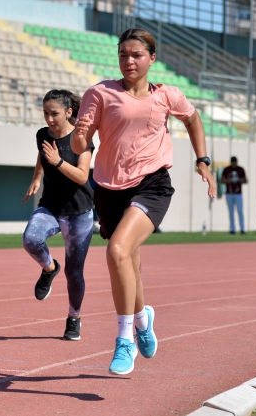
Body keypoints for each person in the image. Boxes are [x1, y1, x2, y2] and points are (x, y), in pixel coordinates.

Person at [71, 28, 216, 375]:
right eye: (123, 54)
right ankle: (142, 318)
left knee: (117, 251)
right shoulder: (100, 93)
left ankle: (125, 341)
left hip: (152, 183)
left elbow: (193, 118)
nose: (129, 61)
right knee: (130, 263)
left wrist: (203, 159)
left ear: (152, 58)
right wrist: (79, 137)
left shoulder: (167, 95)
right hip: (109, 186)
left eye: (136, 55)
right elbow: (81, 147)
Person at [21, 89, 95, 341]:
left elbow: (83, 176)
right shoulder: (42, 134)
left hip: (79, 212)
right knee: (30, 239)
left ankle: (74, 318)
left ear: (69, 113)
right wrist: (36, 177)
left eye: (54, 114)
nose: (49, 119)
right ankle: (49, 268)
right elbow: (43, 155)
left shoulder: (82, 139)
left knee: (74, 274)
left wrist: (58, 162)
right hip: (51, 207)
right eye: (45, 113)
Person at [220, 156, 247, 235]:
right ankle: (232, 229)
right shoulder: (227, 169)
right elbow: (221, 180)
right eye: (232, 162)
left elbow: (245, 180)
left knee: (240, 211)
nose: (234, 164)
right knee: (231, 212)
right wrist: (229, 181)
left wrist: (238, 180)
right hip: (229, 193)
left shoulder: (240, 169)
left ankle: (242, 229)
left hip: (238, 194)